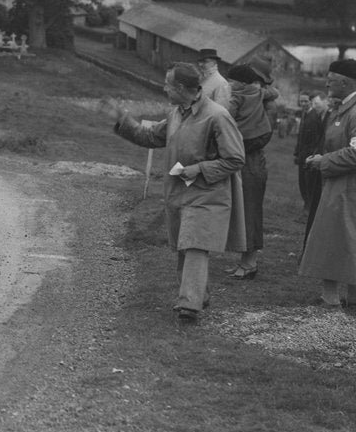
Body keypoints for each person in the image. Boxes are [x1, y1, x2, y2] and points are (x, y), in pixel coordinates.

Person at [100, 62, 245, 323]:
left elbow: (235, 159)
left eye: (167, 84)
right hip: (180, 194)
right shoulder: (177, 113)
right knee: (184, 247)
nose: (164, 88)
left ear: (180, 87)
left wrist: (199, 169)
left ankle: (189, 305)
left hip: (208, 195)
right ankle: (198, 295)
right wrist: (122, 120)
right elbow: (149, 137)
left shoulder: (217, 116)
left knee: (195, 245)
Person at [299, 59, 356, 307]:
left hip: (347, 188)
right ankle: (335, 296)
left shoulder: (354, 112)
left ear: (345, 82)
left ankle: (336, 298)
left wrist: (323, 161)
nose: (326, 84)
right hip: (338, 185)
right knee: (336, 239)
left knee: (338, 239)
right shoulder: (342, 108)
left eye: (331, 80)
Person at [222, 63, 273, 279]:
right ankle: (245, 261)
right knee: (245, 213)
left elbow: (224, 118)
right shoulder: (260, 94)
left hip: (250, 164)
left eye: (231, 81)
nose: (229, 84)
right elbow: (274, 92)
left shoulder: (237, 98)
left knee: (250, 213)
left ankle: (250, 263)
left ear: (241, 82)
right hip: (251, 160)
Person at [297, 92, 330, 249]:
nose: (314, 105)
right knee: (305, 184)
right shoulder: (317, 115)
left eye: (316, 103)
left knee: (311, 187)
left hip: (318, 159)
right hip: (311, 156)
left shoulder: (323, 117)